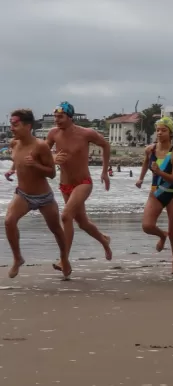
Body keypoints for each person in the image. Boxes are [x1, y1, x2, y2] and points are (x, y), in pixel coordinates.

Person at [4, 109, 71, 279]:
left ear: (28, 126)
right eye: (11, 124)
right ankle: (18, 258)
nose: (12, 128)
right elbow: (18, 161)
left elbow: (51, 173)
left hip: (44, 197)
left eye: (15, 125)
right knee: (9, 221)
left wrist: (35, 165)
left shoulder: (40, 146)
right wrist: (12, 170)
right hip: (23, 194)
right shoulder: (14, 144)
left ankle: (64, 258)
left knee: (56, 229)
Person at [46, 101, 112, 271]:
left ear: (70, 117)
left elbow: (105, 145)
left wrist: (104, 172)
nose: (57, 120)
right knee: (82, 222)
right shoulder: (53, 134)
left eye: (60, 117)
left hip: (83, 182)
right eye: (55, 117)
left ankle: (64, 260)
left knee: (66, 216)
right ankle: (104, 240)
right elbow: (43, 154)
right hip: (65, 185)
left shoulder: (86, 133)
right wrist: (52, 160)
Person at [135, 117, 173, 274]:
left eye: (164, 130)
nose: (160, 133)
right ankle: (162, 235)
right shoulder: (150, 150)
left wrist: (159, 172)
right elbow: (145, 162)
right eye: (158, 130)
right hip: (155, 192)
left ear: (170, 133)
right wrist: (141, 178)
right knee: (147, 226)